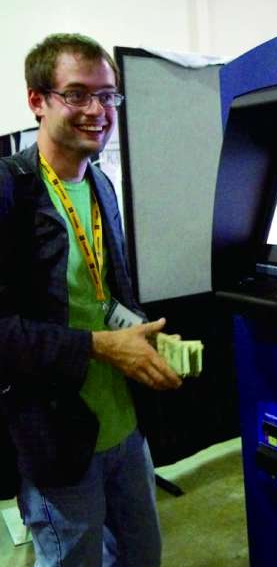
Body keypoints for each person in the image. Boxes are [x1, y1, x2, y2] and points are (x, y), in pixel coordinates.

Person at [0, 33, 182, 567]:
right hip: (57, 438)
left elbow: (104, 294)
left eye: (107, 96)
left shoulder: (101, 185)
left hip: (124, 427)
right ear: (37, 101)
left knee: (142, 555)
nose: (98, 111)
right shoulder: (10, 192)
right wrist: (99, 347)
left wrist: (142, 336)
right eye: (77, 94)